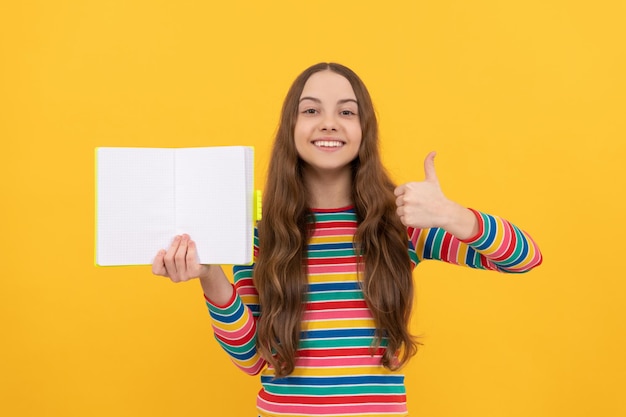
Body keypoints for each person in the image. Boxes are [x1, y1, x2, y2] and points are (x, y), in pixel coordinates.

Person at [152, 62, 542, 417]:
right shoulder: (259, 233)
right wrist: (209, 275)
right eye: (310, 110)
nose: (328, 123)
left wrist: (452, 216)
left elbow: (524, 257)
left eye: (346, 111)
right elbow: (251, 360)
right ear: (291, 128)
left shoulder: (401, 223)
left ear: (364, 130)